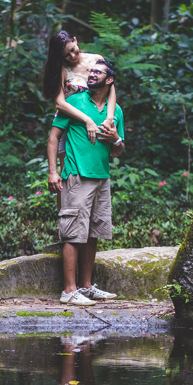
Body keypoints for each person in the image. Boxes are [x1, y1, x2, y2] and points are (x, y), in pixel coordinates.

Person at [46, 60, 125, 306]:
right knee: (72, 232)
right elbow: (53, 137)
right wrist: (53, 172)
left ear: (109, 80)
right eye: (90, 71)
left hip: (102, 177)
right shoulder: (74, 103)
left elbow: (118, 151)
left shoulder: (116, 111)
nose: (91, 74)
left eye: (97, 72)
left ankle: (86, 287)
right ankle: (69, 291)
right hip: (77, 175)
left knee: (93, 234)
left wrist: (116, 139)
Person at [41, 30, 118, 165]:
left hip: (97, 119)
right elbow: (59, 103)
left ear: (75, 40)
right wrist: (87, 120)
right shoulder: (62, 69)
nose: (72, 55)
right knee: (68, 167)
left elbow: (110, 89)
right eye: (66, 55)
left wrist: (109, 118)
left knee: (94, 163)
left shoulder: (96, 60)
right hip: (70, 120)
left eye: (73, 49)